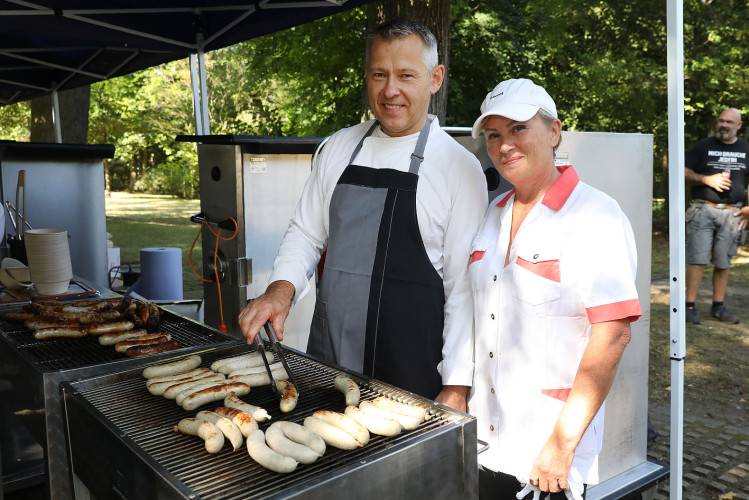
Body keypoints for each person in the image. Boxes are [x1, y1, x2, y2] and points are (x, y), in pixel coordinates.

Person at [237, 18, 488, 410]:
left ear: (435, 78)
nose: (391, 90)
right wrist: (280, 291)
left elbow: (463, 289)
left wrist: (456, 386)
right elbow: (306, 233)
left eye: (406, 75)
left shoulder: (459, 168)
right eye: (379, 74)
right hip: (331, 366)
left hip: (413, 377)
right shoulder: (339, 147)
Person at [466, 78, 641, 500]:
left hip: (545, 453)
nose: (504, 144)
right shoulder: (492, 213)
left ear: (555, 131)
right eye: (493, 135)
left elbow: (613, 333)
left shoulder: (595, 215)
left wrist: (561, 446)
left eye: (518, 128)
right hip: (484, 440)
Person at [684, 108, 749, 325]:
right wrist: (705, 180)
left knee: (723, 262)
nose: (724, 125)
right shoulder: (703, 146)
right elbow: (682, 171)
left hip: (733, 214)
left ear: (738, 125)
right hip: (703, 209)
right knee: (697, 259)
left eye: (730, 122)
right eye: (721, 120)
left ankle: (718, 307)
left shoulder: (746, 148)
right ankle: (689, 307)